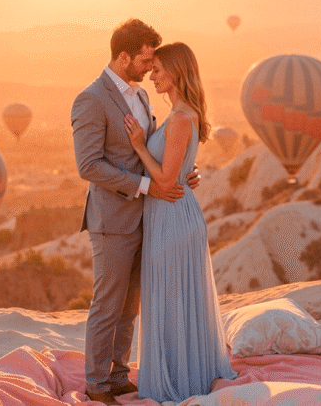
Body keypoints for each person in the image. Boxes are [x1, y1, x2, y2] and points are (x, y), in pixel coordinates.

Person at [71, 19, 199, 406]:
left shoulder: (141, 97)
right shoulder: (91, 99)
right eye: (144, 60)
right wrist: (149, 186)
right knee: (108, 303)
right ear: (123, 56)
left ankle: (119, 374)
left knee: (130, 305)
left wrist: (178, 173)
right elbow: (88, 165)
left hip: (150, 216)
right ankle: (96, 383)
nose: (149, 67)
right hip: (113, 220)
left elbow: (153, 149)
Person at [124, 42, 236, 403]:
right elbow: (181, 170)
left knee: (170, 297)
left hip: (172, 216)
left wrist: (140, 146)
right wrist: (190, 171)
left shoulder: (182, 117)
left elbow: (166, 181)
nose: (152, 76)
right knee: (173, 298)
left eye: (158, 69)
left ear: (177, 71)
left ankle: (178, 380)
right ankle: (185, 370)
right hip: (173, 215)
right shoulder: (180, 115)